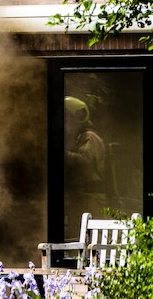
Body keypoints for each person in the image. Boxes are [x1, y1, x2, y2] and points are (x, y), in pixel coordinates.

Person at [64, 96, 108, 225]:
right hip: (81, 197)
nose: (65, 122)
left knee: (88, 238)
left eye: (67, 118)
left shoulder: (90, 137)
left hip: (90, 199)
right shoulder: (79, 138)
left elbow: (84, 163)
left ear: (77, 118)